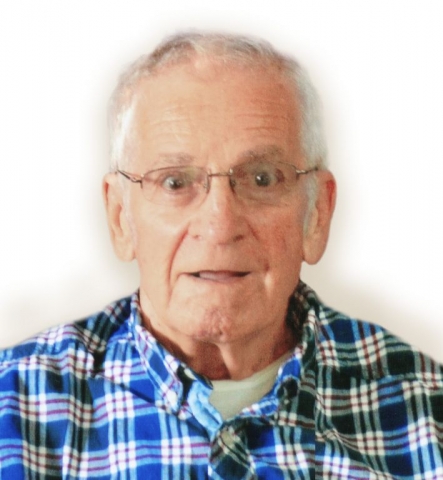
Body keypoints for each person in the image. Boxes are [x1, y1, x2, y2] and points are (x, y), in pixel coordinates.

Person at [0, 31, 442, 479]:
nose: (220, 225)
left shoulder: (427, 412)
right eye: (175, 182)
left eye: (262, 179)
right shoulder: (14, 408)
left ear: (317, 215)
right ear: (120, 217)